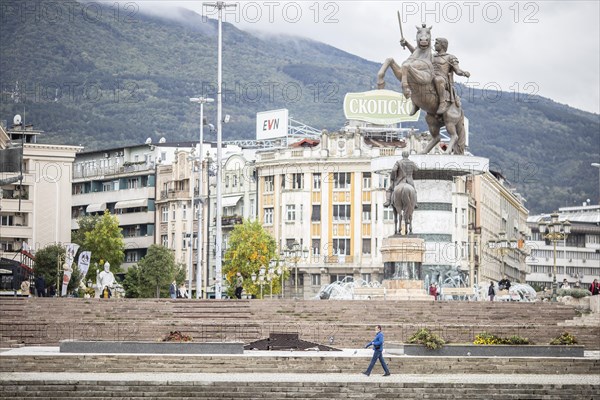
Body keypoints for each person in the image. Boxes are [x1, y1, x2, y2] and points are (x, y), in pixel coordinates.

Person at [432, 37, 470, 115]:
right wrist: (407, 44)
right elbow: (418, 55)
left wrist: (464, 73)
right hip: (431, 78)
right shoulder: (431, 56)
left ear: (442, 45)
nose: (434, 45)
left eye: (436, 43)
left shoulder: (450, 57)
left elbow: (457, 71)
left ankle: (443, 102)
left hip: (443, 80)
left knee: (438, 79)